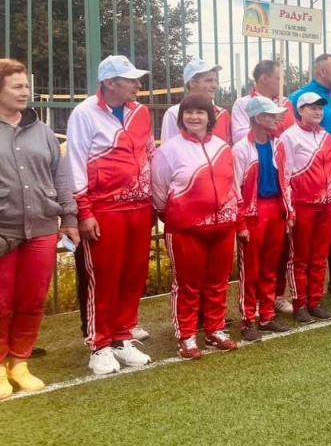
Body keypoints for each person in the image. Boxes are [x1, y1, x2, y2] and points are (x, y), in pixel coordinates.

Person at [66, 55, 155, 375]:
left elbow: (150, 155)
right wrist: (84, 210)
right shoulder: (84, 113)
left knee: (132, 274)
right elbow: (75, 161)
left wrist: (155, 198)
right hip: (103, 209)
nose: (137, 84)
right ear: (109, 83)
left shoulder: (141, 112)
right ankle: (99, 344)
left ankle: (121, 336)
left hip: (140, 207)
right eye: (130, 80)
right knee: (102, 277)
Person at [0, 59, 79, 398]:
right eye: (16, 86)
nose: (25, 92)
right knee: (1, 302)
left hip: (43, 229)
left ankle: (19, 363)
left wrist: (70, 218)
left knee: (32, 300)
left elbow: (60, 177)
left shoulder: (43, 131)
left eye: (26, 86)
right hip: (4, 229)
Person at [151, 94, 243, 360]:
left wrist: (232, 217)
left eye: (200, 112)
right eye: (188, 112)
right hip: (185, 229)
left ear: (209, 117)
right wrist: (177, 216)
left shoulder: (224, 147)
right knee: (188, 285)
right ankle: (187, 335)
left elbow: (233, 184)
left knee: (217, 282)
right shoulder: (169, 149)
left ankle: (215, 330)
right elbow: (159, 191)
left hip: (223, 227)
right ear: (181, 117)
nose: (194, 117)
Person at [230, 59, 296, 315]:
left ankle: (269, 307)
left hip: (276, 203)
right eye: (270, 116)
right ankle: (250, 312)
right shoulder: (242, 112)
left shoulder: (281, 133)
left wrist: (288, 210)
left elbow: (286, 171)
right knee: (253, 263)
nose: (276, 120)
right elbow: (235, 184)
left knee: (273, 260)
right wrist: (240, 221)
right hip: (253, 206)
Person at [288, 54, 331, 296]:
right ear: (320, 71)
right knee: (308, 240)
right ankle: (299, 294)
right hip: (310, 179)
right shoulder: (297, 98)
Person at [280, 92, 331, 323]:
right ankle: (299, 304)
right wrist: (290, 209)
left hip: (326, 206)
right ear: (300, 110)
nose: (318, 111)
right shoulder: (288, 137)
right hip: (302, 206)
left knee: (319, 257)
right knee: (300, 258)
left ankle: (314, 302)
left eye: (320, 107)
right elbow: (284, 175)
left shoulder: (327, 136)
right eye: (312, 107)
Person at [161, 58, 231, 143]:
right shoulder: (174, 113)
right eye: (209, 81)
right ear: (192, 83)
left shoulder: (223, 114)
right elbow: (168, 152)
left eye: (215, 80)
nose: (215, 85)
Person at [230, 59, 295, 144]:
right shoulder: (243, 104)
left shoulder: (285, 102)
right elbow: (238, 138)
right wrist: (264, 124)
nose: (284, 83)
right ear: (264, 79)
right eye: (279, 78)